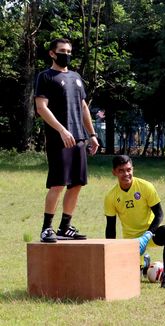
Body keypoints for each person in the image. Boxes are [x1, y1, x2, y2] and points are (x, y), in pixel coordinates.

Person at [35, 38, 99, 243]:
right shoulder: (45, 77)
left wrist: (92, 135)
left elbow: (83, 107)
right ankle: (47, 228)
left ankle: (65, 226)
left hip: (79, 138)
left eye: (69, 51)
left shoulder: (76, 77)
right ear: (52, 53)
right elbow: (41, 107)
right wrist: (62, 130)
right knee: (58, 184)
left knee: (77, 184)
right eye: (62, 51)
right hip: (59, 139)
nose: (67, 54)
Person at [104, 155, 165, 289]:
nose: (126, 174)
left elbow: (159, 214)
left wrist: (147, 235)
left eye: (129, 169)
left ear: (133, 169)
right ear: (114, 172)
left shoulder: (145, 187)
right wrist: (110, 253)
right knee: (127, 279)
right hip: (130, 243)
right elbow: (110, 228)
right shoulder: (111, 197)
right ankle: (143, 265)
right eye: (121, 170)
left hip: (150, 235)